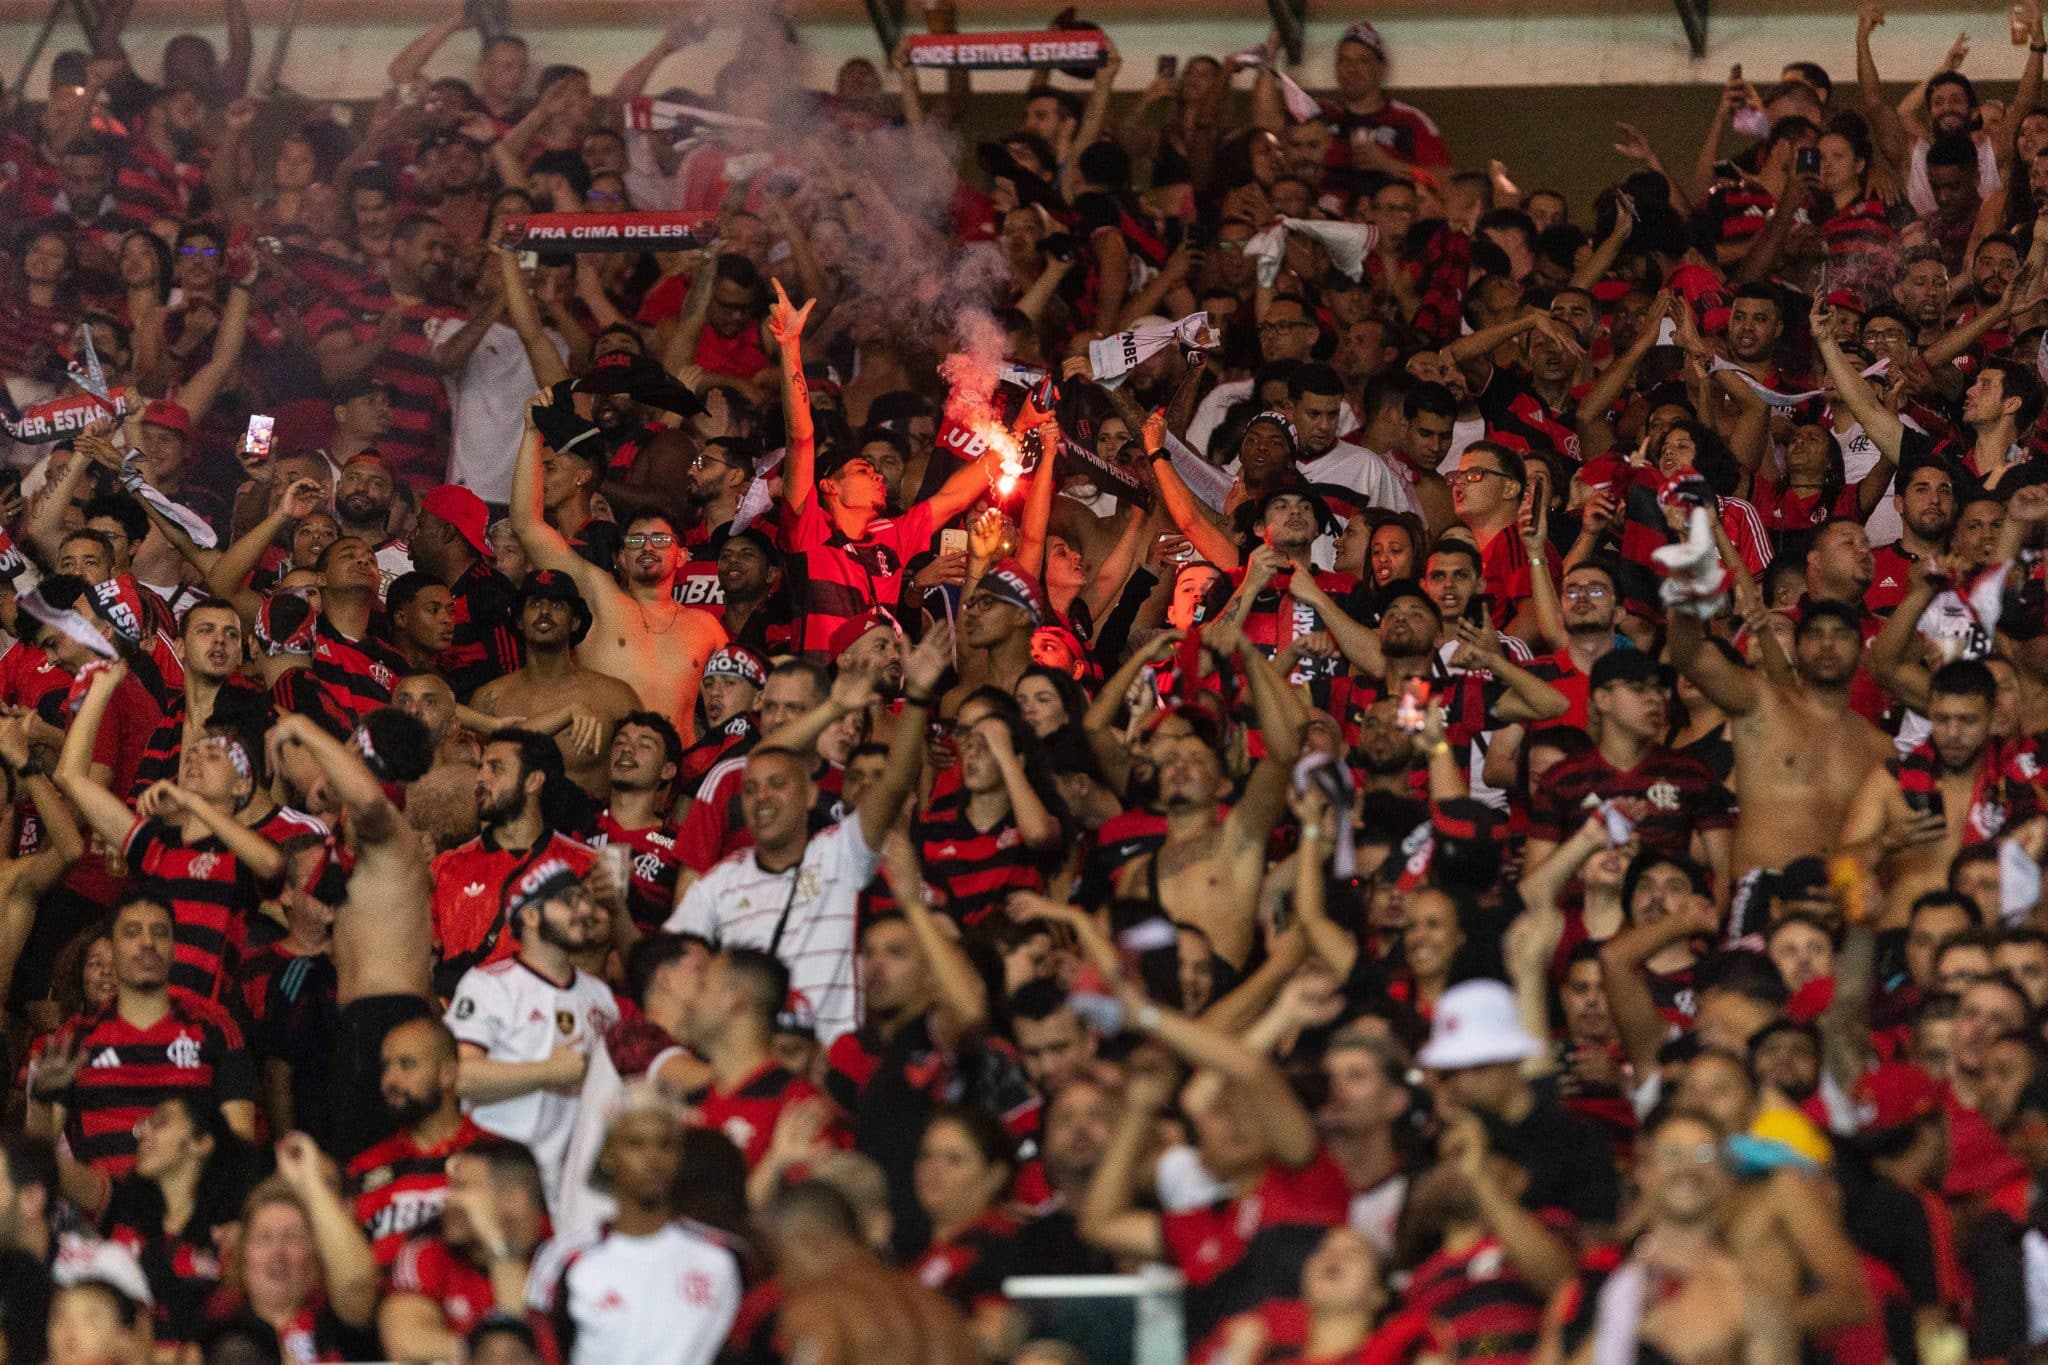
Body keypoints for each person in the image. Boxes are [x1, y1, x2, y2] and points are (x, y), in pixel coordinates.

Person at [666, 624, 949, 1045]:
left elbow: (893, 786)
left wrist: (919, 699)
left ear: (808, 795)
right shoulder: (723, 875)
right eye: (771, 708)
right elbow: (677, 948)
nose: (762, 799)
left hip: (831, 1045)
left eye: (794, 710)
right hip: (742, 1041)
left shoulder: (837, 849)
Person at [511, 400, 726, 744]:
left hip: (681, 778)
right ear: (621, 557)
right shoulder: (600, 597)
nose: (647, 546)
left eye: (660, 538)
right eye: (636, 538)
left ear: (682, 555)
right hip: (606, 770)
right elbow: (526, 526)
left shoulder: (706, 627)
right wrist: (531, 432)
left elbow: (736, 702)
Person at [445, 857, 620, 1208]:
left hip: (574, 1189)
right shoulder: (488, 985)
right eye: (568, 900)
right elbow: (457, 1075)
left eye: (585, 898)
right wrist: (548, 1072)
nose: (584, 909)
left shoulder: (600, 996)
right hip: (498, 1182)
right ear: (530, 915)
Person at [526, 1092, 741, 1365]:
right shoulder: (565, 1261)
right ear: (608, 1155)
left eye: (665, 1145)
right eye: (636, 1144)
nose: (653, 1158)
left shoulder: (723, 1257)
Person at [469, 570, 639, 798]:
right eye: (535, 603)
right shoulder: (488, 699)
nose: (545, 612)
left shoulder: (616, 697)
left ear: (575, 622)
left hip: (589, 829)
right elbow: (469, 781)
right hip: (511, 831)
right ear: (519, 620)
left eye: (558, 605)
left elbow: (647, 776)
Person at [347, 1018, 481, 1266]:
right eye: (386, 1067)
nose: (391, 1080)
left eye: (406, 1064)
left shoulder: (492, 1156)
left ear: (447, 1074)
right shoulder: (363, 1169)